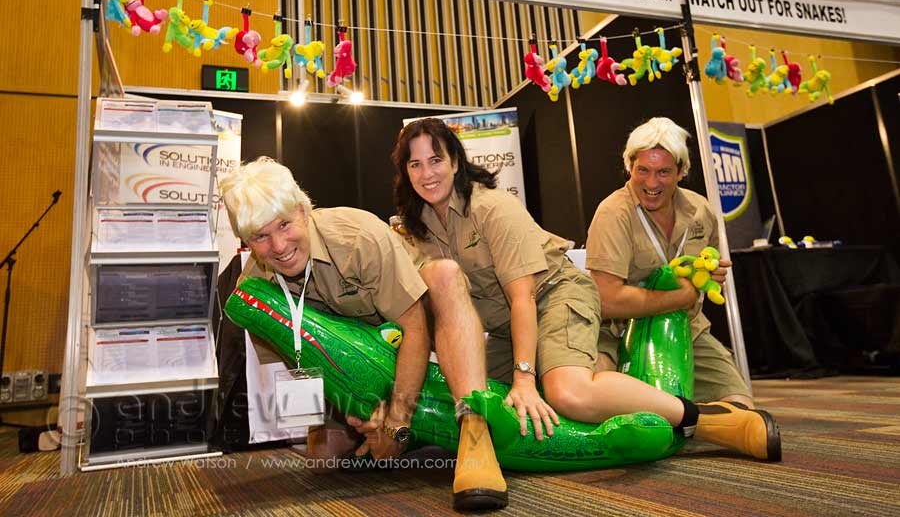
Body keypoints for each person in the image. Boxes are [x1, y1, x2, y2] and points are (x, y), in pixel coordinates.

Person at [391, 118, 781, 461]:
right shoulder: (413, 229)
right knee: (475, 396)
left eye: (436, 160)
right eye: (415, 164)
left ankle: (708, 421)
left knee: (567, 393)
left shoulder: (492, 208)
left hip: (554, 297)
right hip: (508, 328)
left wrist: (525, 378)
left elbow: (524, 296)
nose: (427, 173)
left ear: (455, 163)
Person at [220, 157, 507, 511]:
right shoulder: (254, 290)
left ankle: (474, 428)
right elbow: (299, 366)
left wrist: (395, 423)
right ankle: (421, 430)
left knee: (445, 275)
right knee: (323, 458)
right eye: (261, 237)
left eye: (284, 225)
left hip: (417, 323)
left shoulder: (357, 236)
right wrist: (356, 410)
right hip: (361, 362)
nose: (278, 246)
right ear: (246, 240)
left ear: (303, 212)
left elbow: (415, 328)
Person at [586, 117, 756, 408]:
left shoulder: (700, 209)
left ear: (681, 171)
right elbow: (607, 301)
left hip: (686, 327)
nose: (652, 183)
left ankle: (684, 418)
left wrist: (710, 276)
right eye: (643, 170)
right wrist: (683, 296)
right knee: (598, 402)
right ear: (629, 167)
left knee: (741, 409)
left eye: (663, 172)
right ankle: (676, 415)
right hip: (616, 332)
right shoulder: (613, 213)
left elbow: (710, 267)